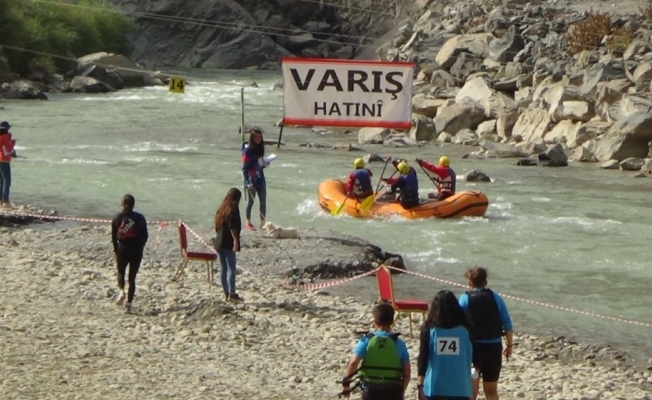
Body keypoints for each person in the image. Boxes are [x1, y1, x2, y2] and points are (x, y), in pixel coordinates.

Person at [458, 267, 513, 400]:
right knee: (491, 390)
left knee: (471, 391)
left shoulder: (465, 298)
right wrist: (509, 345)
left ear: (470, 283)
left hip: (473, 348)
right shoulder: (496, 298)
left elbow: (458, 324)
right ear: (486, 282)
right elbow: (508, 325)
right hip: (493, 348)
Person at [342, 303, 411, 400]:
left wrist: (346, 385)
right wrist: (401, 391)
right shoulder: (399, 343)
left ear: (375, 321)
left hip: (370, 390)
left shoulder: (366, 341)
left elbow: (353, 363)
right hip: (392, 391)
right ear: (392, 322)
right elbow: (407, 373)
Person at [417, 290, 474, 400]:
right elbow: (474, 357)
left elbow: (422, 359)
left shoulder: (429, 330)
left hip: (434, 387)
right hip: (461, 388)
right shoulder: (466, 330)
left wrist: (420, 385)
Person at [111, 194, 148, 313]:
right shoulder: (140, 217)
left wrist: (116, 250)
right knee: (132, 278)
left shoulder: (117, 218)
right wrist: (141, 245)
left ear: (122, 204)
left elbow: (113, 237)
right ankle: (128, 305)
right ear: (134, 204)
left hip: (123, 248)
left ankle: (121, 291)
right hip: (136, 249)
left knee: (121, 272)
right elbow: (145, 235)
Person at [214, 188, 243, 302]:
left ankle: (226, 292)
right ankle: (232, 293)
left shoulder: (221, 209)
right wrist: (235, 241)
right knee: (231, 268)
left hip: (219, 242)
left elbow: (217, 226)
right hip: (228, 242)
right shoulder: (233, 209)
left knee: (223, 268)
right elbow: (232, 226)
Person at [241, 128, 268, 231]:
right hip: (251, 180)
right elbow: (244, 168)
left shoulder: (261, 149)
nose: (258, 139)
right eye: (255, 137)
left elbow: (260, 164)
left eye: (259, 137)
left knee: (263, 202)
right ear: (252, 138)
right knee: (251, 202)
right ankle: (248, 222)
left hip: (261, 179)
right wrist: (248, 182)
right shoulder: (247, 151)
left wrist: (265, 164)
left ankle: (263, 223)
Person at [0, 121, 16, 208]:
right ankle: (5, 202)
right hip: (4, 160)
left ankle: (1, 201)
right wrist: (13, 142)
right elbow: (9, 149)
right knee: (7, 181)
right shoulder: (5, 137)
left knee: (1, 181)